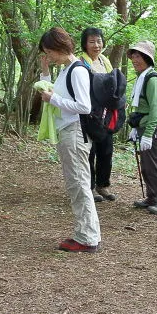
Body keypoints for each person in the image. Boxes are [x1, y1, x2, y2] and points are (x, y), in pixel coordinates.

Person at [38, 27, 102, 253]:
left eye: (49, 52)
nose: (49, 56)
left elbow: (84, 107)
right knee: (77, 183)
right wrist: (45, 73)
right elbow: (52, 93)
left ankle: (87, 238)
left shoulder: (77, 70)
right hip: (68, 132)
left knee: (79, 184)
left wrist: (53, 99)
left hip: (75, 132)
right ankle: (88, 233)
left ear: (59, 47)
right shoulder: (66, 70)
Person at [127, 40, 157, 215]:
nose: (134, 59)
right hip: (144, 128)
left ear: (147, 58)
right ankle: (152, 197)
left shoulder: (152, 80)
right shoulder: (142, 78)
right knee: (146, 166)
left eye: (138, 55)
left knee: (155, 165)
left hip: (154, 130)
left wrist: (147, 133)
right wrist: (135, 128)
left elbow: (155, 110)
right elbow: (141, 108)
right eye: (133, 56)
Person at [79, 27, 116, 203]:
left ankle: (103, 184)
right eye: (92, 41)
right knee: (90, 151)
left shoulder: (105, 61)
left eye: (99, 41)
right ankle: (90, 187)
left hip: (107, 113)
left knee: (106, 149)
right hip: (89, 113)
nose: (96, 45)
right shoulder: (81, 62)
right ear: (85, 44)